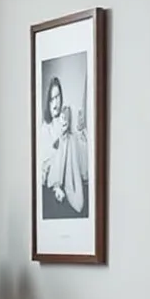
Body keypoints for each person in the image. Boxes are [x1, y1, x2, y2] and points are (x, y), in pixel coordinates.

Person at [40, 76, 87, 218]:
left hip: (69, 177)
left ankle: (72, 191)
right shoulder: (45, 129)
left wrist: (80, 130)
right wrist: (59, 138)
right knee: (65, 139)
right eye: (52, 99)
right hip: (51, 180)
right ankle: (59, 188)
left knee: (71, 139)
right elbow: (44, 165)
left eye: (58, 96)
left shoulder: (64, 120)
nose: (56, 102)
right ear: (47, 103)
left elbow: (82, 161)